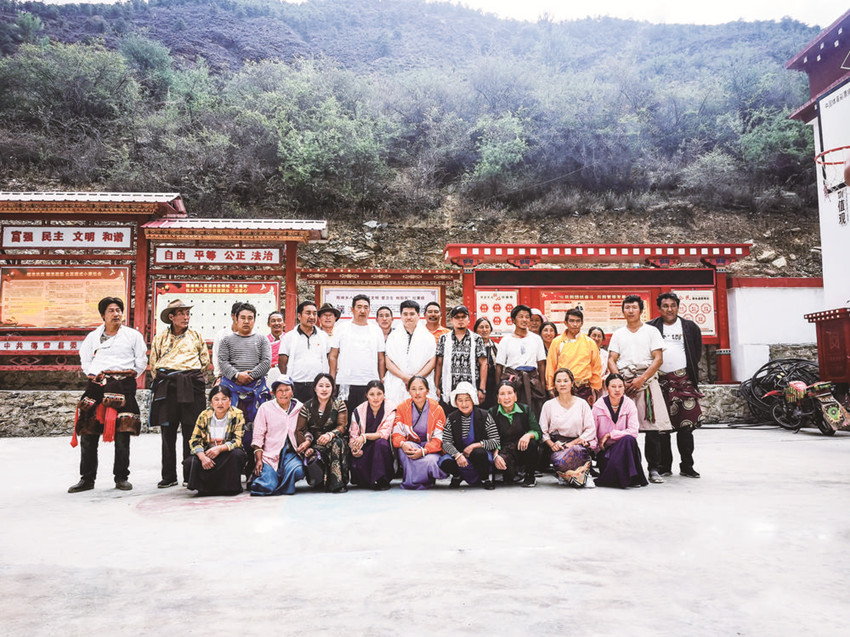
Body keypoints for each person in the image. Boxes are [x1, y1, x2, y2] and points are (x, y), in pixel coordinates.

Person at [69, 297, 147, 493]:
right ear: (102, 315)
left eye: (118, 310)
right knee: (88, 433)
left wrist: (128, 374)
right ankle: (87, 479)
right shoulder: (93, 337)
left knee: (123, 434)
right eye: (111, 310)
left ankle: (121, 477)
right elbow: (85, 360)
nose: (116, 314)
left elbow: (141, 361)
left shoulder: (133, 336)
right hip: (97, 386)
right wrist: (94, 374)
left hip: (122, 386)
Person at [607, 294, 672, 484]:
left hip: (647, 381)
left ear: (641, 310)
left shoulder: (651, 331)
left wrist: (641, 379)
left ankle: (654, 468)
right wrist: (620, 382)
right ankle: (629, 466)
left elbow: (658, 359)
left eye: (634, 307)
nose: (630, 311)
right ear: (623, 311)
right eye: (627, 308)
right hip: (625, 383)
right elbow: (611, 359)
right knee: (623, 428)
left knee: (652, 428)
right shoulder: (619, 334)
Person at [149, 299, 209, 489]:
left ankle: (189, 473)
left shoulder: (196, 335)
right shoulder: (160, 338)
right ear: (171, 317)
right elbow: (153, 364)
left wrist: (188, 377)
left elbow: (204, 362)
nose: (186, 317)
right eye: (181, 313)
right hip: (168, 386)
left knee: (192, 431)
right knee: (167, 431)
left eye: (187, 313)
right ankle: (168, 476)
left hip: (191, 384)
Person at [647, 292, 704, 479]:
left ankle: (687, 466)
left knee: (686, 426)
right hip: (660, 382)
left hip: (684, 381)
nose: (669, 309)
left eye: (673, 305)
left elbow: (696, 352)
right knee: (662, 428)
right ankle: (664, 466)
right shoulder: (651, 328)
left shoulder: (689, 327)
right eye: (665, 306)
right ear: (659, 308)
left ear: (678, 307)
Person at [217, 302, 272, 457]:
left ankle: (255, 459)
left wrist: (251, 376)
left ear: (254, 320)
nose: (246, 321)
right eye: (243, 318)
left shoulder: (262, 339)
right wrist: (237, 375)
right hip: (232, 388)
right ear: (236, 319)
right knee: (230, 424)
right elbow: (223, 362)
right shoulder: (226, 340)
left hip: (256, 388)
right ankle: (231, 458)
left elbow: (266, 362)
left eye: (250, 318)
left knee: (258, 425)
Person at [184, 385, 247, 496]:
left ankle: (230, 488)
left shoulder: (237, 414)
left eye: (224, 399)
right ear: (211, 402)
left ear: (230, 401)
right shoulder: (204, 415)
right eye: (216, 399)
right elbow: (194, 440)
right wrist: (203, 457)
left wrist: (220, 448)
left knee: (237, 455)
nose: (220, 403)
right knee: (191, 461)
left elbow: (237, 440)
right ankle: (205, 488)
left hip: (226, 452)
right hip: (208, 452)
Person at [539, 368, 596, 488]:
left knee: (578, 451)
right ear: (554, 384)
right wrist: (552, 445)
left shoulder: (582, 404)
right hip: (558, 445)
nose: (562, 384)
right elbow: (543, 431)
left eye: (566, 381)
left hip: (578, 443)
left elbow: (590, 429)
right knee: (559, 460)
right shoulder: (548, 405)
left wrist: (573, 444)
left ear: (572, 383)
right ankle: (568, 475)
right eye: (558, 381)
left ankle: (581, 476)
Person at [329, 294, 386, 413]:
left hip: (370, 382)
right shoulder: (342, 328)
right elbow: (333, 356)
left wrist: (381, 381)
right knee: (344, 417)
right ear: (352, 309)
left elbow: (381, 359)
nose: (362, 310)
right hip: (345, 382)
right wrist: (332, 379)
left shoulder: (376, 330)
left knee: (366, 417)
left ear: (369, 310)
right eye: (359, 307)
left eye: (366, 307)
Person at [250, 376, 306, 496]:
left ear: (292, 391)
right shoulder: (265, 408)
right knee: (267, 486)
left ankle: (281, 479)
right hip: (270, 454)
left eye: (287, 390)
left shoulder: (300, 408)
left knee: (298, 470)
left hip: (291, 453)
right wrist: (258, 459)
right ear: (274, 393)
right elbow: (258, 436)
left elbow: (306, 430)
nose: (283, 394)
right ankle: (273, 478)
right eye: (280, 390)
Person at [439, 381, 500, 489]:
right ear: (456, 402)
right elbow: (446, 442)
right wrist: (457, 455)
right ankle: (457, 476)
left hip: (479, 456)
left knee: (479, 453)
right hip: (460, 455)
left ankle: (485, 478)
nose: (464, 404)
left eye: (467, 400)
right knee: (445, 462)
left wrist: (474, 446)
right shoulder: (451, 418)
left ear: (472, 400)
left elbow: (495, 441)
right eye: (460, 400)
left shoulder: (485, 415)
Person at [392, 375, 449, 490]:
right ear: (409, 391)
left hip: (430, 449)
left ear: (427, 391)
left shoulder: (437, 409)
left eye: (421, 389)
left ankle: (423, 480)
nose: (417, 393)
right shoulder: (402, 408)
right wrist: (403, 444)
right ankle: (413, 482)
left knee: (431, 461)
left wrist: (424, 451)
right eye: (413, 389)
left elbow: (439, 437)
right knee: (405, 451)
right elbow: (397, 433)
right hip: (412, 445)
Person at [295, 373, 349, 493]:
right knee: (314, 457)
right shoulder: (307, 406)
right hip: (315, 444)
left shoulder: (339, 404)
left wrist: (330, 435)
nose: (324, 389)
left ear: (333, 388)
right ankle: (322, 482)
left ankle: (337, 483)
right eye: (321, 386)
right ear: (315, 388)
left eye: (328, 386)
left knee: (337, 443)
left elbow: (342, 426)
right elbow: (300, 430)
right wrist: (306, 446)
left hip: (334, 440)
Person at [592, 374, 648, 489]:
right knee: (627, 440)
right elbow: (592, 432)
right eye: (613, 386)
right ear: (607, 388)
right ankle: (628, 478)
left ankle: (625, 478)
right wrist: (596, 450)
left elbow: (634, 431)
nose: (617, 390)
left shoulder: (629, 404)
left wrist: (611, 435)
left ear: (624, 387)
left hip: (626, 449)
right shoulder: (598, 406)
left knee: (628, 440)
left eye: (620, 386)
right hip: (607, 452)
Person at [494, 305, 547, 416]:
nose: (524, 320)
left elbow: (541, 364)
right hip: (513, 381)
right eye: (521, 317)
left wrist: (542, 385)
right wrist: (499, 387)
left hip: (532, 381)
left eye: (527, 317)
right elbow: (499, 366)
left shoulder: (536, 339)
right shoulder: (506, 340)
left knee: (534, 413)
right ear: (513, 320)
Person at [383, 299, 437, 405]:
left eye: (412, 314)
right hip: (397, 382)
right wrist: (405, 377)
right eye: (405, 314)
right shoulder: (393, 336)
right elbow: (388, 362)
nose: (408, 317)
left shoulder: (428, 337)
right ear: (401, 316)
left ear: (418, 315)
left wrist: (416, 379)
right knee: (397, 410)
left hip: (421, 381)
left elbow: (431, 362)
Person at [435, 305, 488, 411]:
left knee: (469, 418)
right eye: (457, 317)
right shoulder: (444, 339)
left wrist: (482, 389)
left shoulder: (476, 339)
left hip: (470, 387)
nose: (460, 320)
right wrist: (436, 387)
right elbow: (439, 363)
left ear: (469, 319)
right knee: (450, 417)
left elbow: (483, 363)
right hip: (449, 388)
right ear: (451, 320)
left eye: (463, 317)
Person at [545, 309, 602, 405]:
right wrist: (550, 387)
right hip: (563, 387)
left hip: (584, 388)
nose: (575, 324)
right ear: (565, 323)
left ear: (582, 323)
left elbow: (596, 367)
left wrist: (595, 388)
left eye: (578, 321)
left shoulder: (590, 342)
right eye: (571, 321)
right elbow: (551, 365)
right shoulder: (557, 342)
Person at [489, 381, 541, 487]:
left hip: (521, 448)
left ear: (515, 396)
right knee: (507, 478)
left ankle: (530, 476)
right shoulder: (492, 412)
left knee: (531, 444)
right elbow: (490, 436)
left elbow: (538, 432)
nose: (506, 397)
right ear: (498, 398)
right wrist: (495, 455)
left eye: (510, 393)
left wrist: (528, 435)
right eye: (502, 394)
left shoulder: (525, 410)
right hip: (503, 449)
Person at [279, 300, 330, 404]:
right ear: (299, 316)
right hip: (296, 385)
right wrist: (288, 382)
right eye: (308, 313)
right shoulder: (289, 337)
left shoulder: (323, 336)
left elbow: (329, 358)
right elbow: (282, 363)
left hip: (318, 385)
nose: (312, 317)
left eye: (314, 313)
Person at [349, 380, 396, 490]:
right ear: (367, 395)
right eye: (372, 394)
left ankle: (382, 479)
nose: (376, 398)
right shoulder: (358, 411)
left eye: (379, 394)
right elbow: (354, 435)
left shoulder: (391, 409)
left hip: (382, 452)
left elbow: (384, 434)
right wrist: (355, 448)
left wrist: (364, 436)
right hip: (364, 449)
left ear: (384, 394)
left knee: (381, 443)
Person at [212, 302, 245, 380]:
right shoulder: (221, 335)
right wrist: (218, 376)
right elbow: (216, 356)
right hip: (226, 376)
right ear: (232, 316)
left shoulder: (253, 335)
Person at [473, 316, 499, 409]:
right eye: (481, 327)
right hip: (476, 385)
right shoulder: (472, 347)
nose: (484, 330)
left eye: (487, 327)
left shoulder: (496, 347)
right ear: (476, 330)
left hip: (492, 385)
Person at [265, 310, 285, 387]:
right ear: (268, 324)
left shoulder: (289, 339)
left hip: (285, 374)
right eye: (273, 321)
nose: (276, 323)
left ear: (284, 323)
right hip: (268, 375)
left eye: (279, 320)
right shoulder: (264, 340)